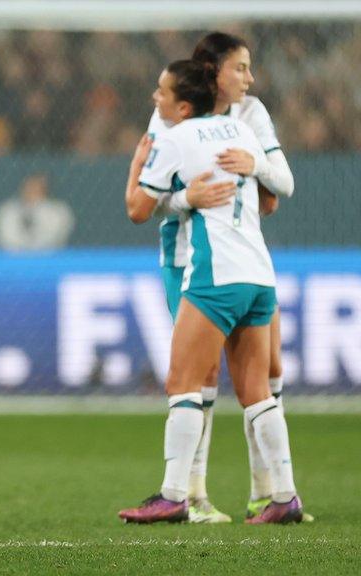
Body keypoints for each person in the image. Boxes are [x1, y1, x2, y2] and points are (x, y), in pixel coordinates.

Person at [119, 60, 304, 525]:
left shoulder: (173, 139)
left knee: (183, 385)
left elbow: (139, 209)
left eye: (161, 93)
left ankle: (173, 494)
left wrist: (146, 168)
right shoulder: (240, 131)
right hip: (259, 275)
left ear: (184, 104)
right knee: (257, 393)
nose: (155, 100)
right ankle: (284, 496)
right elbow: (271, 199)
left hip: (214, 277)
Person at [0, 173, 74, 250]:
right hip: (13, 260)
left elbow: (56, 237)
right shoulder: (7, 210)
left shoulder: (59, 211)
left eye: (37, 184)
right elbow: (5, 238)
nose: (32, 188)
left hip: (49, 259)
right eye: (30, 184)